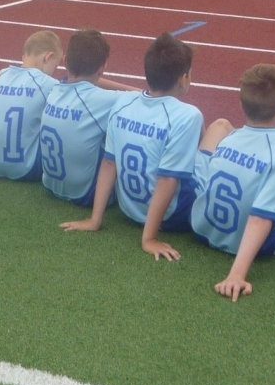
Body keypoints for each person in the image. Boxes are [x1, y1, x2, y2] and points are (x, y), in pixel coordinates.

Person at [61, 32, 203, 260]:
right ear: (183, 78)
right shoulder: (188, 115)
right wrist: (149, 238)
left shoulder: (123, 103)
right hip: (174, 217)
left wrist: (95, 219)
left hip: (129, 210)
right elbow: (167, 180)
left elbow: (109, 163)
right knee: (219, 134)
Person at [192, 64, 275, 301]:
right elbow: (260, 218)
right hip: (257, 243)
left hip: (203, 228)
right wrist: (236, 274)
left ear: (241, 105)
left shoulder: (230, 138)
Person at [39, 29, 139, 206]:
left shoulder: (55, 89)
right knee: (123, 131)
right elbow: (147, 99)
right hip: (85, 194)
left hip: (50, 183)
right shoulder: (105, 100)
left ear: (65, 61)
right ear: (102, 68)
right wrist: (135, 89)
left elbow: (83, 83)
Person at [0, 30, 63, 181]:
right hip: (27, 169)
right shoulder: (49, 83)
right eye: (55, 65)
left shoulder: (1, 74)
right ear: (48, 57)